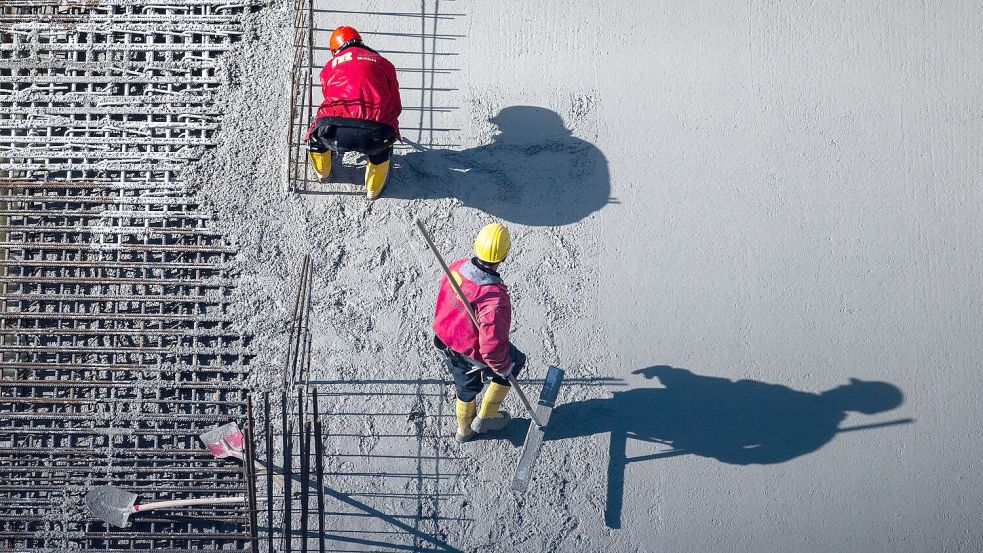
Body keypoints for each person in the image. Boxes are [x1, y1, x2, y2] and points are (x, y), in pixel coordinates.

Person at [432, 222, 526, 443]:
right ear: (504, 255)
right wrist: (503, 369)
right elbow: (491, 349)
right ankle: (487, 417)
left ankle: (464, 430)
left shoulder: (455, 268)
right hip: (470, 352)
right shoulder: (494, 299)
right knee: (515, 362)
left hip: (447, 340)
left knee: (465, 388)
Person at [306, 26, 402, 199]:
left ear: (335, 50)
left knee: (315, 137)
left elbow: (329, 97)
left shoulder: (329, 67)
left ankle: (323, 174)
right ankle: (373, 190)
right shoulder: (384, 63)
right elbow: (396, 106)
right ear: (360, 41)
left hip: (334, 130)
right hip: (376, 133)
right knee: (381, 150)